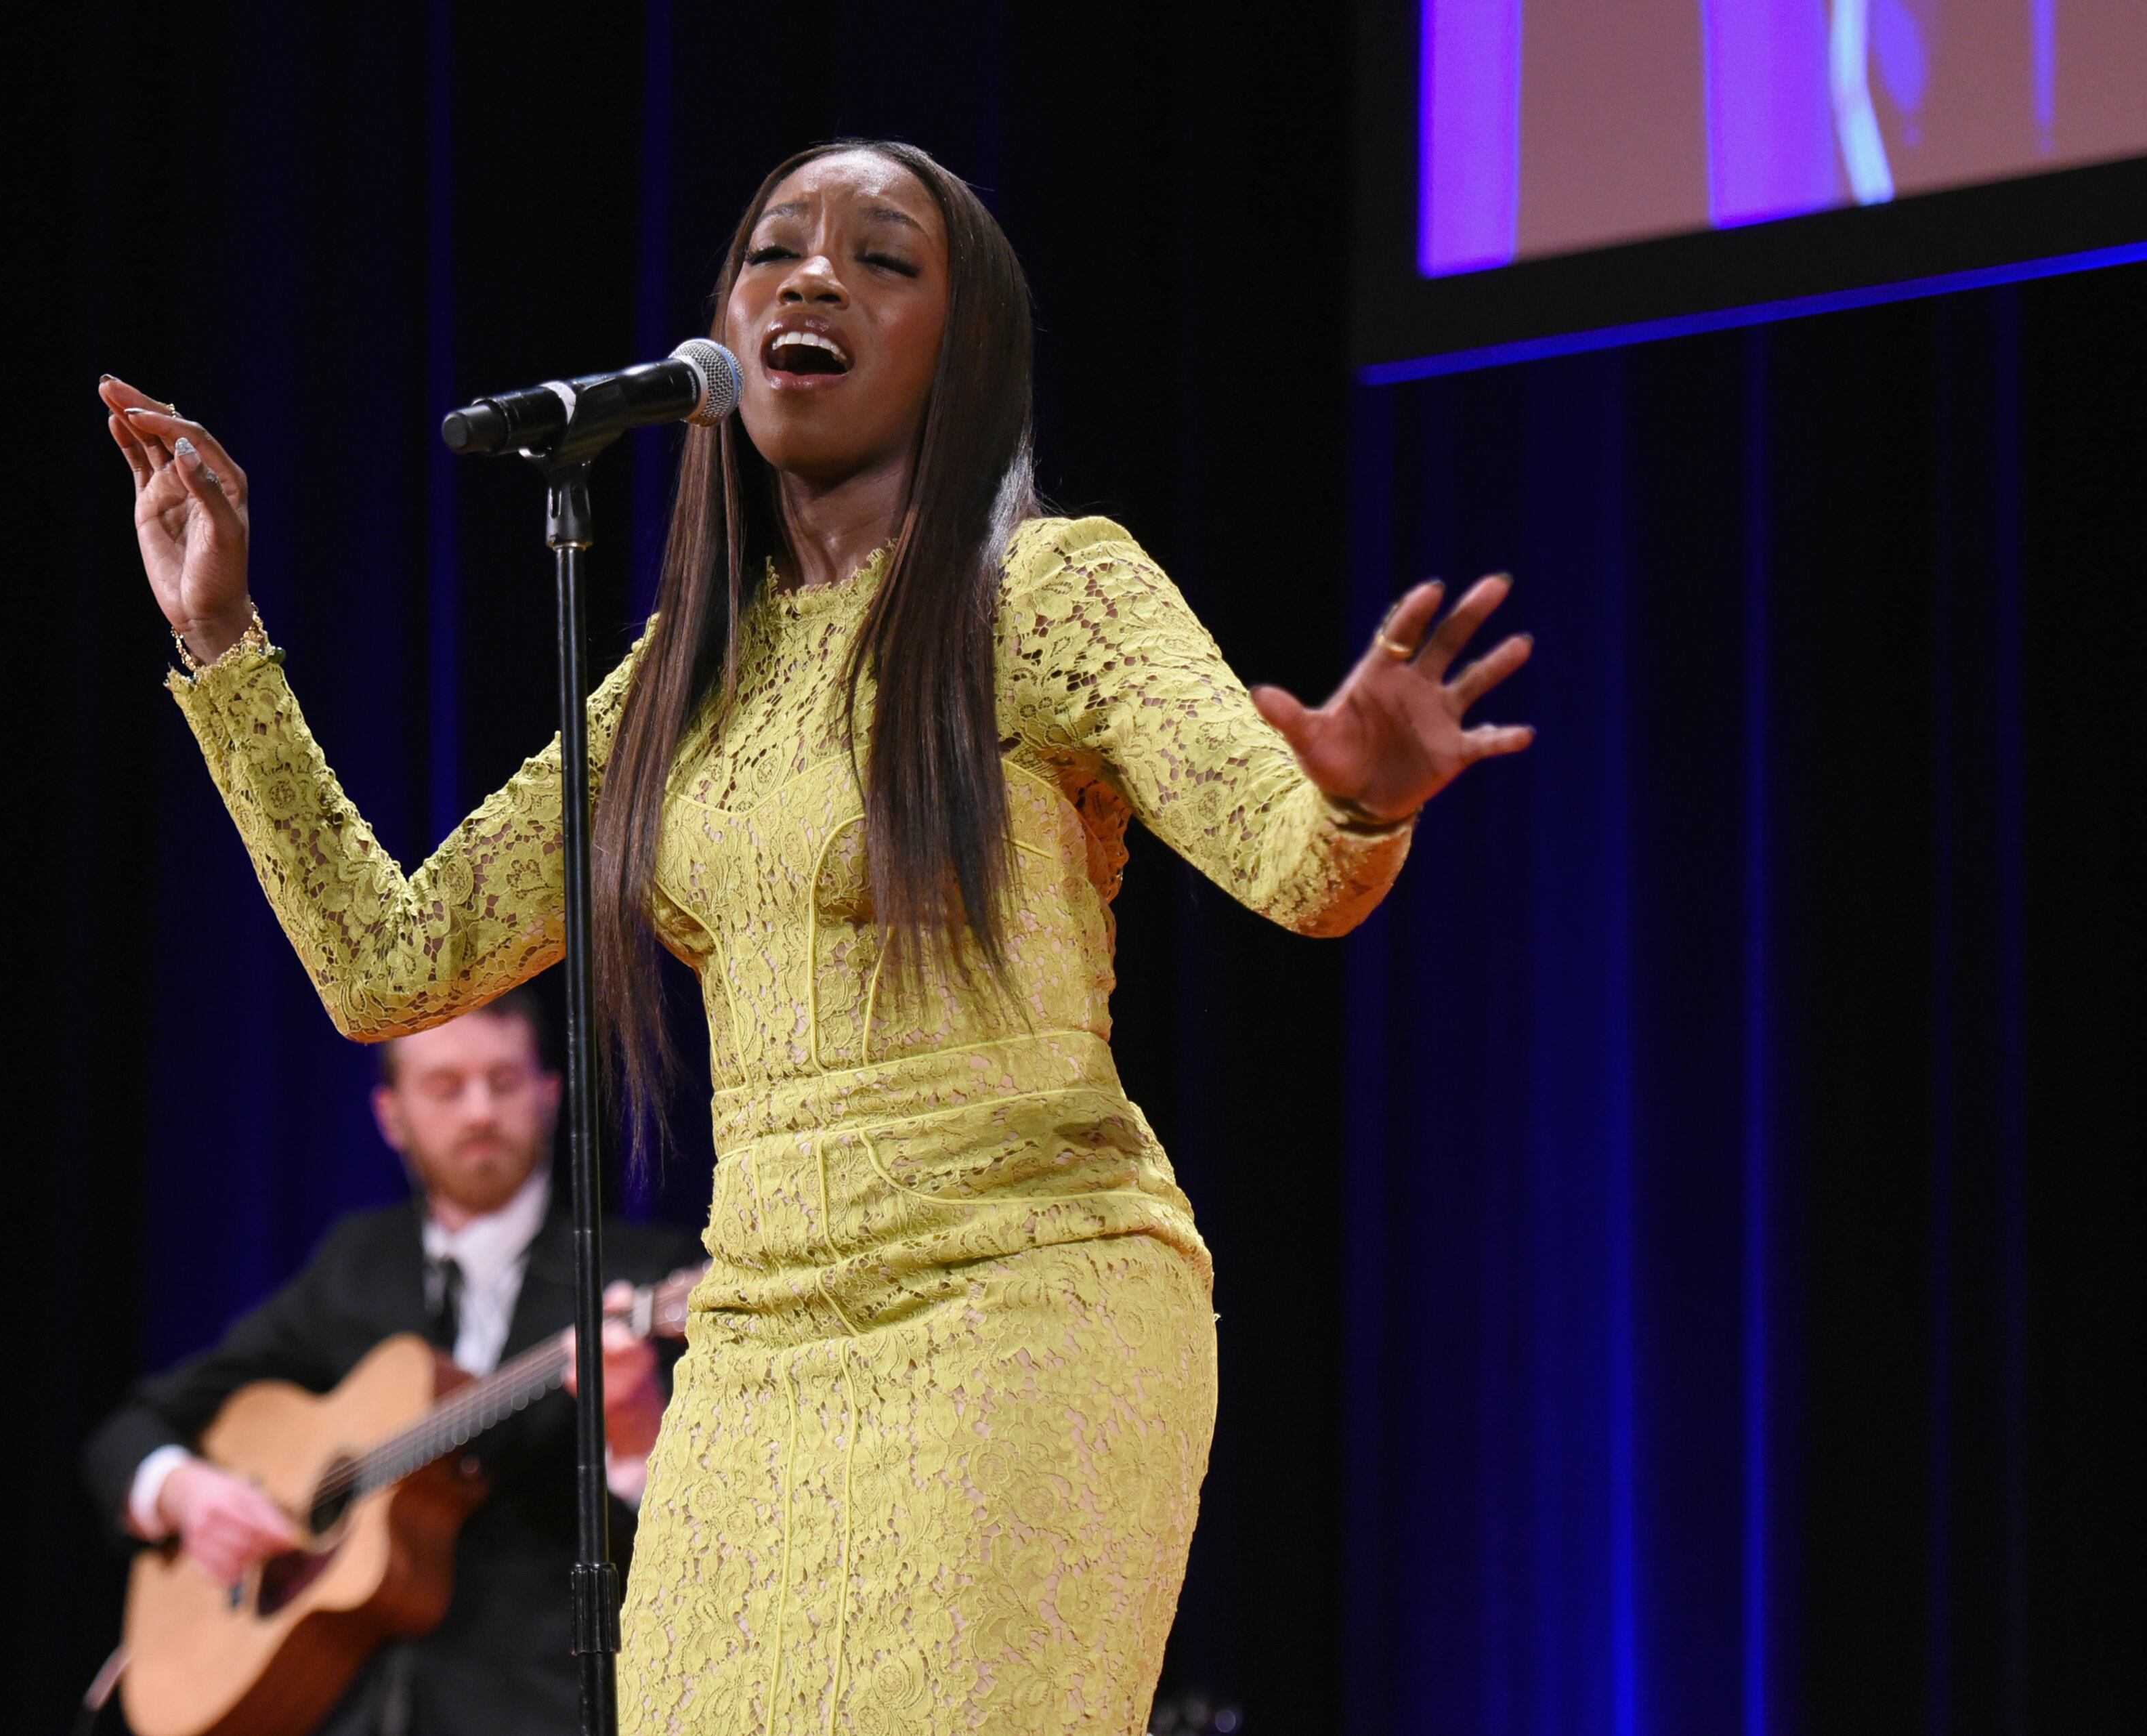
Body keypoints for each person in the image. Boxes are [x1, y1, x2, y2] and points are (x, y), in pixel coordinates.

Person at [96, 138, 1532, 1733]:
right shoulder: (675, 679)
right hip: (756, 1352)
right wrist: (222, 640)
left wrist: (1364, 797)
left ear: (960, 347)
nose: (809, 276)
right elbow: (393, 963)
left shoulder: (1052, 590)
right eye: (772, 249)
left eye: (880, 256)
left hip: (1022, 1307)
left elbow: (1294, 872)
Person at [81, 992, 702, 1736]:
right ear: (391, 1113)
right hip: (341, 1707)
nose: (478, 1112)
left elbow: (707, 1547)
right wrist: (184, 1492)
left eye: (503, 1083)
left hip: (539, 1703)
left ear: (548, 1094)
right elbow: (136, 1428)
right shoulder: (355, 1265)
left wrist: (636, 1437)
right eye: (446, 1087)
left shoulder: (635, 1272)